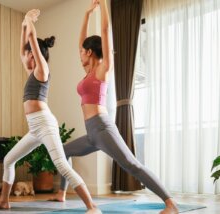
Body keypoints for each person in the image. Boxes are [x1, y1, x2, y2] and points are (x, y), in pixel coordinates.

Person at [49, 1, 179, 213]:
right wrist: (86, 14)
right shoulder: (88, 73)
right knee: (63, 152)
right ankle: (62, 193)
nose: (79, 53)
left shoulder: (102, 70)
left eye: (83, 51)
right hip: (92, 132)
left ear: (90, 52)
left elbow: (105, 30)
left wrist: (103, 8)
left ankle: (170, 203)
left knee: (132, 165)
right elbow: (81, 41)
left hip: (102, 128)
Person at [0, 9, 101, 214]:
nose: (25, 56)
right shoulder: (31, 71)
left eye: (29, 53)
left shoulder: (42, 70)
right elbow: (23, 46)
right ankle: (4, 201)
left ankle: (92, 206)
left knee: (62, 165)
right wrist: (24, 24)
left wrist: (29, 22)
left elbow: (31, 41)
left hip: (45, 123)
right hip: (34, 128)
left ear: (36, 54)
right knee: (9, 160)